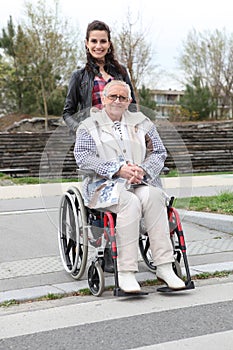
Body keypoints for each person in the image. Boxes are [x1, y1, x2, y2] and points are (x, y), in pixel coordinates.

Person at [74, 80, 185, 293]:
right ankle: (126, 272)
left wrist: (142, 170)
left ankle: (164, 266)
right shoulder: (89, 126)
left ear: (129, 101)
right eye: (113, 96)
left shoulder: (143, 122)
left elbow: (159, 153)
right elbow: (84, 158)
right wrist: (117, 169)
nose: (117, 101)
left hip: (139, 181)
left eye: (122, 97)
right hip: (104, 185)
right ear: (103, 99)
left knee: (154, 196)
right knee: (129, 202)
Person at [63, 20, 137, 135]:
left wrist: (131, 129)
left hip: (120, 136)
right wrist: (79, 129)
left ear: (109, 44)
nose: (98, 46)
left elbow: (132, 106)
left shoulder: (121, 72)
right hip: (93, 137)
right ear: (87, 43)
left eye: (103, 41)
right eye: (94, 41)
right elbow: (68, 113)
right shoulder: (78, 76)